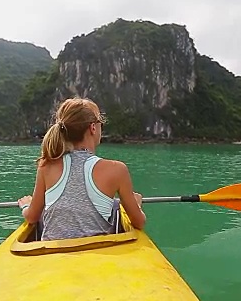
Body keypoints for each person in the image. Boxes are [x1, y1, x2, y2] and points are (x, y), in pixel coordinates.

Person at [17, 97, 146, 241]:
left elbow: (32, 217)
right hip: (93, 255)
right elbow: (139, 222)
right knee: (115, 207)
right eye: (100, 122)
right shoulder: (117, 169)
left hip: (52, 256)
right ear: (92, 127)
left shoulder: (46, 166)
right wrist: (137, 205)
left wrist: (26, 206)